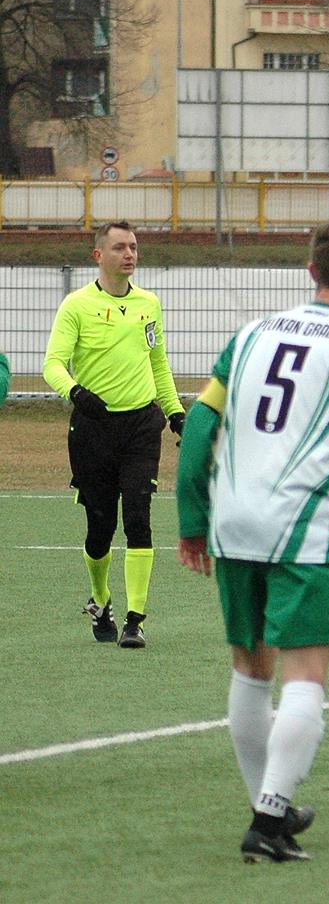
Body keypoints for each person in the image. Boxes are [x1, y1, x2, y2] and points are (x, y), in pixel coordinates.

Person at [175, 218, 329, 863]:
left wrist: (193, 516)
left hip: (232, 519)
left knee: (249, 667)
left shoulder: (252, 334)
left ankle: (268, 808)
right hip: (299, 524)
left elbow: (200, 423)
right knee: (305, 672)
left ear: (310, 270)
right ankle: (268, 818)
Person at [43, 220, 185, 649]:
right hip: (93, 429)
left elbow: (158, 363)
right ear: (98, 255)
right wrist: (76, 392)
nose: (130, 254)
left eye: (135, 247)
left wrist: (176, 412)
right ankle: (101, 600)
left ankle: (135, 620)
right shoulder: (76, 305)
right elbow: (53, 364)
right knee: (99, 528)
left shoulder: (149, 304)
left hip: (142, 425)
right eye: (120, 247)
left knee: (138, 518)